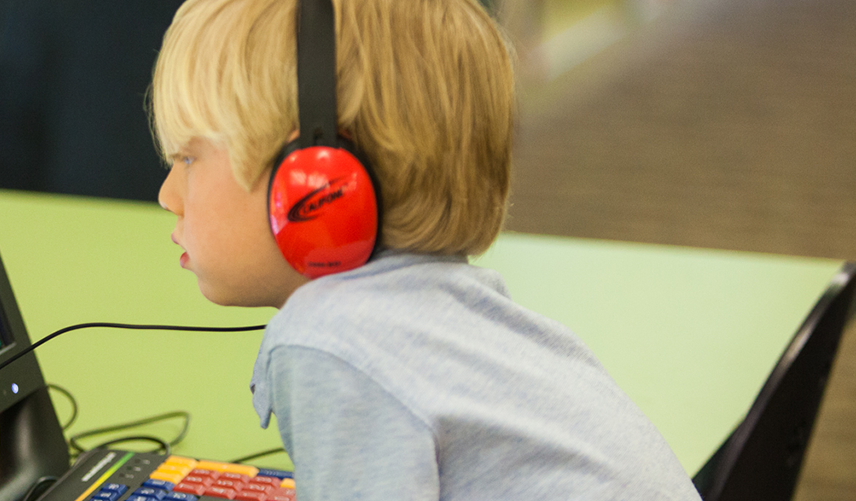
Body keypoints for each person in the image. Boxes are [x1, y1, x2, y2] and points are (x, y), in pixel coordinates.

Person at [149, 0, 702, 499]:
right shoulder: (466, 315)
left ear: (314, 184)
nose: (167, 195)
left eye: (190, 160)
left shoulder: (331, 339)